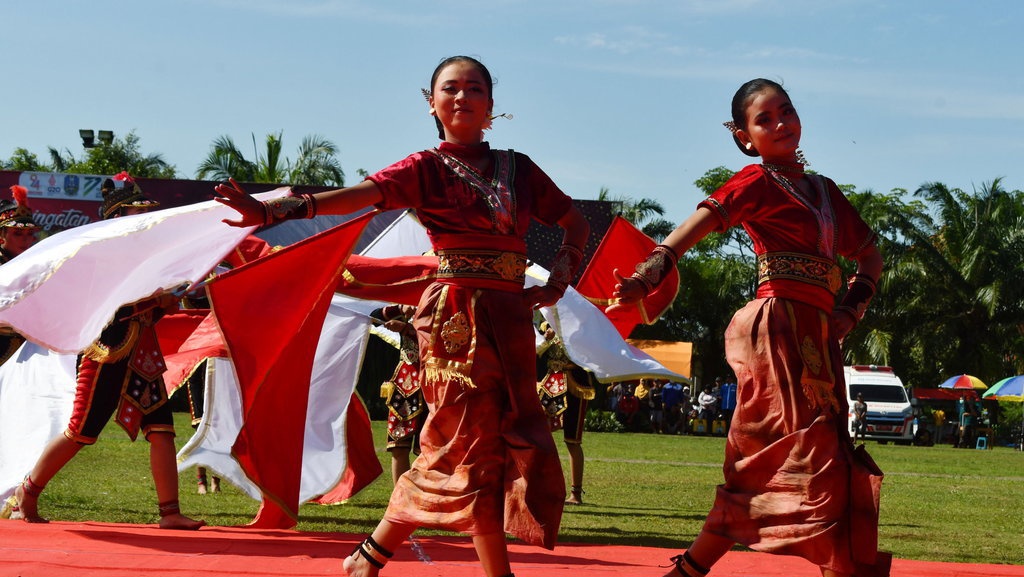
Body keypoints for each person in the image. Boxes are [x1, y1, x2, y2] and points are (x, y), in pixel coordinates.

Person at [215, 55, 589, 577]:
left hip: (510, 316)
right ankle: (421, 564)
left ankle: (369, 559)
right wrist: (274, 211)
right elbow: (358, 198)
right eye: (450, 88)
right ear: (431, 102)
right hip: (456, 317)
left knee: (490, 442)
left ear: (491, 104)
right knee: (467, 441)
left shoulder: (519, 169)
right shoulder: (424, 168)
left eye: (475, 88)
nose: (462, 97)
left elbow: (574, 223)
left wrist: (557, 281)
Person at [608, 78, 888, 577]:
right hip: (775, 328)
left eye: (787, 111)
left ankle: (690, 570)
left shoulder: (825, 192)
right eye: (765, 120)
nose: (780, 124)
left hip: (819, 333)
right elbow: (691, 228)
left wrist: (850, 311)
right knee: (800, 454)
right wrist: (646, 277)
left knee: (813, 455)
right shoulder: (755, 180)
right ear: (745, 137)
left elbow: (871, 256)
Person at [1, 173, 205, 530]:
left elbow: (147, 307)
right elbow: (103, 308)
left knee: (161, 428)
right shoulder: (100, 256)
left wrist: (164, 303)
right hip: (105, 351)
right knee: (82, 431)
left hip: (142, 352)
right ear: (117, 217)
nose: (146, 218)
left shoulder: (147, 258)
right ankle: (27, 494)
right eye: (137, 212)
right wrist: (155, 301)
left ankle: (170, 512)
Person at [536, 321, 596, 505]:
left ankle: (575, 493)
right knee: (538, 436)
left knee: (572, 440)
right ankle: (540, 487)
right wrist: (546, 340)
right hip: (550, 382)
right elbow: (536, 351)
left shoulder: (581, 324)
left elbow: (588, 353)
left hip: (574, 384)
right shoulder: (546, 325)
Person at [373, 304, 426, 485]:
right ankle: (399, 497)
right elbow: (374, 317)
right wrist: (400, 309)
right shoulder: (407, 303)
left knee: (428, 449)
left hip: (433, 386)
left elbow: (439, 337)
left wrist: (406, 329)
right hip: (405, 386)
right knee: (398, 446)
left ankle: (424, 497)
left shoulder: (440, 302)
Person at [0, 185, 40, 365]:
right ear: (1, 235)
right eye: (17, 233)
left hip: (28, 348)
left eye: (30, 233)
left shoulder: (36, 265)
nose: (25, 239)